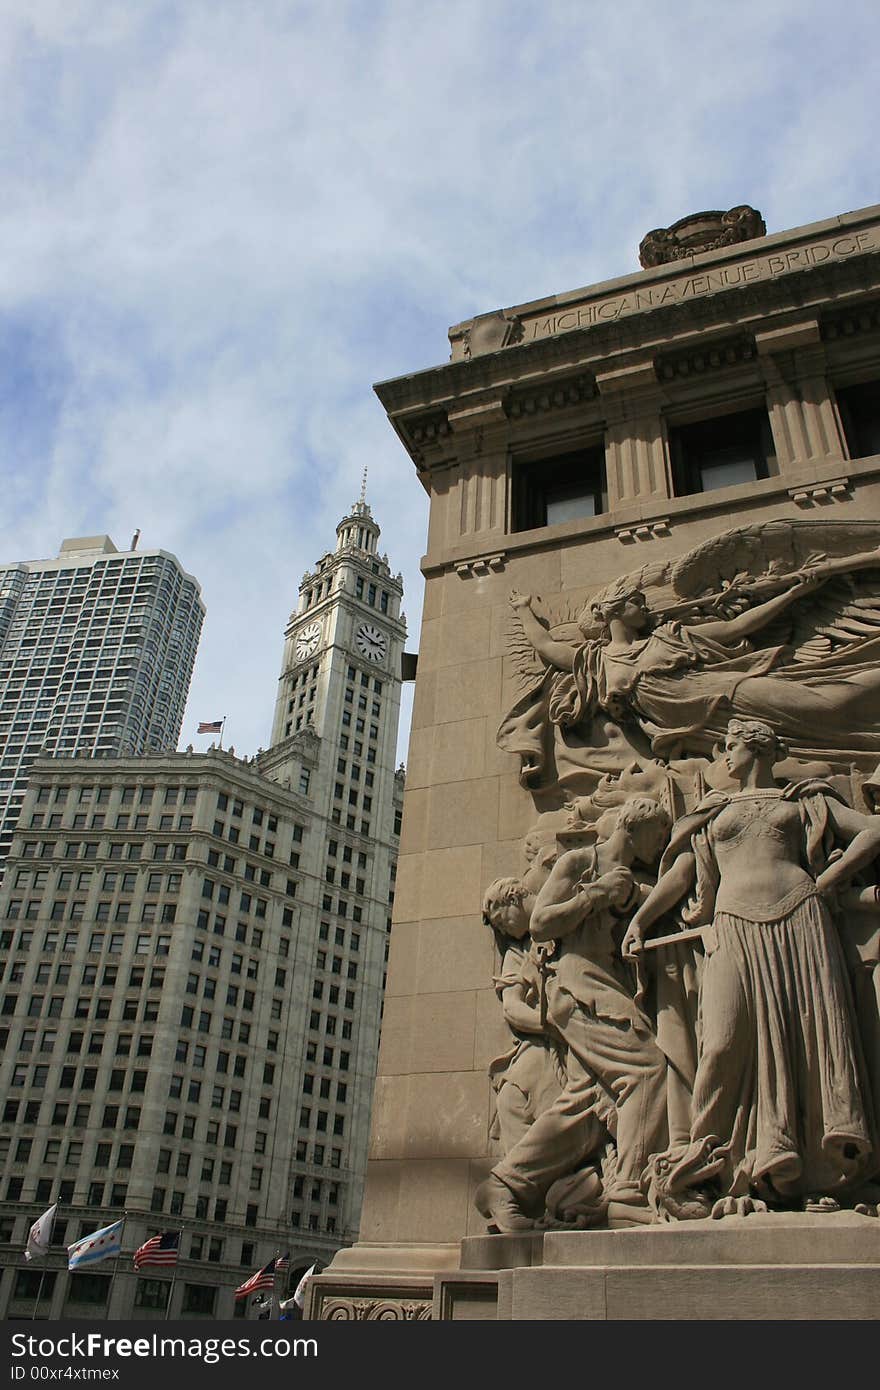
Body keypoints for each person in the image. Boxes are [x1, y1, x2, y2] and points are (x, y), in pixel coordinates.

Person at [622, 718, 880, 1208]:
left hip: (801, 920)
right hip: (735, 925)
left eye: (732, 745)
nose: (724, 755)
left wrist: (829, 880)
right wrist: (641, 919)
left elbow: (872, 833)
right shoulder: (714, 809)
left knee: (806, 1036)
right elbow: (683, 874)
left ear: (757, 749)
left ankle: (799, 1166)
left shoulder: (802, 799)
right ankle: (708, 1161)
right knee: (720, 1041)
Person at [500, 548, 880, 782]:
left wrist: (795, 592)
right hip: (705, 728)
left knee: (829, 704)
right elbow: (546, 646)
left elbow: (736, 627)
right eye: (637, 601)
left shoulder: (669, 637)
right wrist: (522, 611)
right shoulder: (596, 661)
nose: (645, 606)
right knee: (829, 708)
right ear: (615, 609)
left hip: (727, 694)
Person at [476, 798, 671, 1231]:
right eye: (657, 834)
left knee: (588, 1102)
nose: (659, 844)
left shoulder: (634, 878)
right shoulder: (581, 862)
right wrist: (595, 896)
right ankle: (627, 1192)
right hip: (578, 987)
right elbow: (542, 922)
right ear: (633, 826)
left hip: (606, 984)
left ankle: (505, 1185)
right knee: (647, 1070)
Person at [481, 877, 565, 1155]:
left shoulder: (564, 915)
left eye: (503, 921)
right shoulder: (516, 954)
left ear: (514, 899)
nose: (504, 930)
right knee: (511, 1098)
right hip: (548, 1037)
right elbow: (512, 1007)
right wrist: (551, 1025)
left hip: (590, 1024)